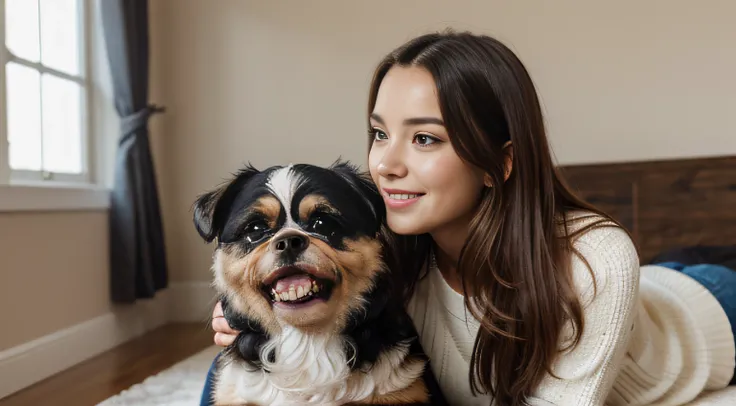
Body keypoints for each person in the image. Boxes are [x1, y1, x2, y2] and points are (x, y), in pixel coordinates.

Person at [202, 30, 736, 406]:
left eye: (425, 138)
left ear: (498, 162)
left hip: (708, 312)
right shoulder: (380, 254)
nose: (386, 164)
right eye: (380, 133)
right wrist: (252, 318)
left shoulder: (597, 259)